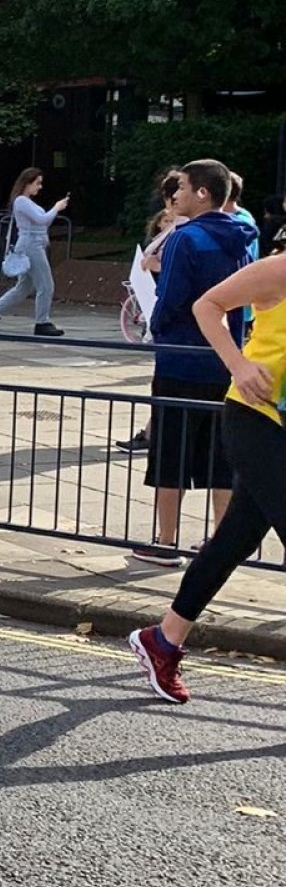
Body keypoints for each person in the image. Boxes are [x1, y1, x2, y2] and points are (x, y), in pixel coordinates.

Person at [130, 253, 286, 703]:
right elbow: (208, 305)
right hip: (255, 419)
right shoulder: (278, 270)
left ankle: (163, 641)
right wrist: (238, 364)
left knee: (232, 541)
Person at [134, 159, 257, 566]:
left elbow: (170, 298)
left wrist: (156, 324)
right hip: (224, 358)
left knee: (170, 450)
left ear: (203, 192)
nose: (176, 194)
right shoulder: (242, 237)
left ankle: (166, 541)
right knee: (221, 456)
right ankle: (221, 543)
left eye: (183, 187)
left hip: (181, 358)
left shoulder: (186, 239)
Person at [0, 167, 69, 336]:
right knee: (46, 285)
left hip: (33, 244)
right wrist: (56, 208)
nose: (40, 187)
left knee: (23, 287)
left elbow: (42, 223)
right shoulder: (21, 201)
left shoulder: (27, 202)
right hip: (31, 246)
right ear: (27, 183)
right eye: (37, 183)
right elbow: (42, 220)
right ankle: (42, 322)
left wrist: (54, 210)